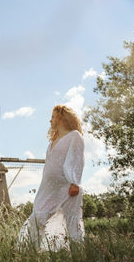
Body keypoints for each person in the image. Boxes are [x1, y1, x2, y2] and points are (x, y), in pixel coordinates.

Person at [17, 105, 85, 252]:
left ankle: (77, 253)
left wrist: (75, 182)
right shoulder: (52, 140)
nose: (50, 120)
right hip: (49, 187)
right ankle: (32, 250)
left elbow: (77, 159)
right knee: (38, 215)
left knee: (71, 222)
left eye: (53, 116)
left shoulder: (74, 136)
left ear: (61, 117)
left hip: (67, 187)